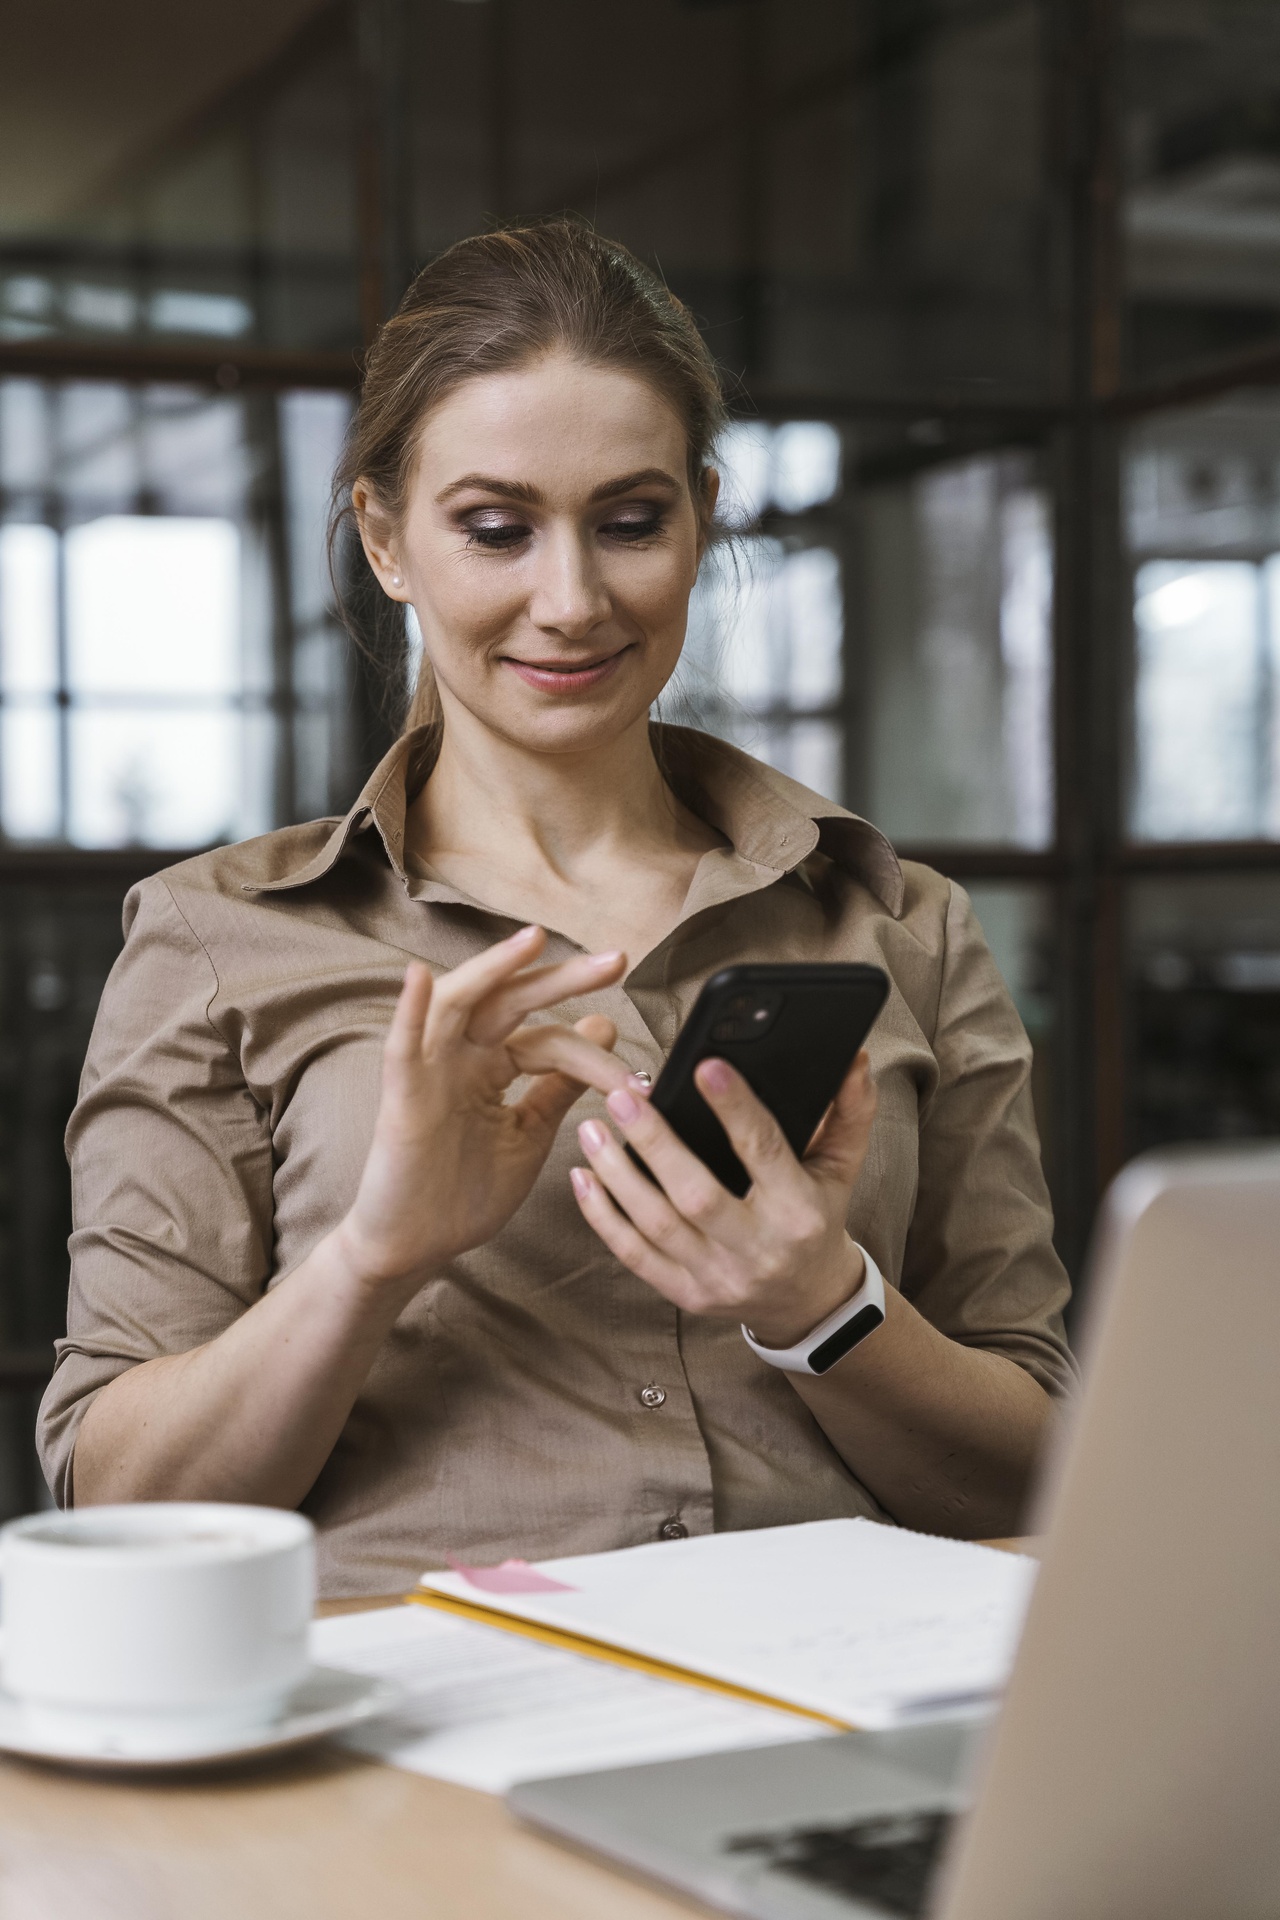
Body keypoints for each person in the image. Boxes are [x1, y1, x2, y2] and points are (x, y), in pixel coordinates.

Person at [38, 221, 1074, 1597]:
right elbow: (117, 1510)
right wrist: (372, 1257)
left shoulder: (901, 925)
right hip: (418, 1752)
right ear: (385, 535)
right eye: (496, 528)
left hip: (835, 1718)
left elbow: (1042, 1483)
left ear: (699, 518)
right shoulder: (216, 943)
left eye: (631, 522)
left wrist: (823, 1309)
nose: (571, 600)